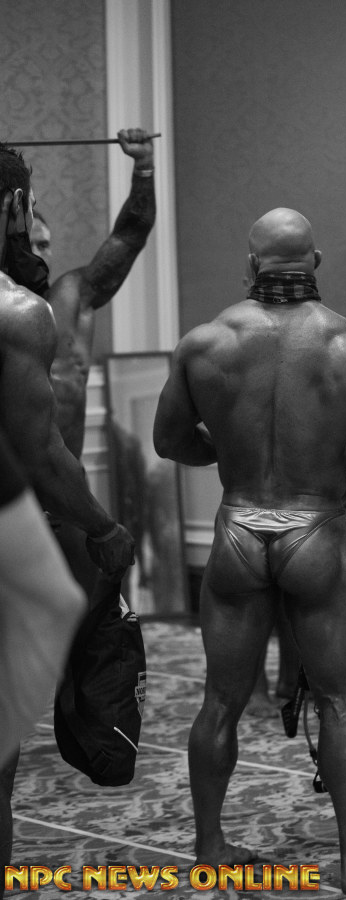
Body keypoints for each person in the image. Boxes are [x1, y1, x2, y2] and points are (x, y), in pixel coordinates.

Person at [153, 208, 346, 893]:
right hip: (318, 529)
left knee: (219, 701)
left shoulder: (203, 343)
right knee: (341, 704)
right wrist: (335, 485)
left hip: (238, 529)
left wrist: (232, 458)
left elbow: (170, 441)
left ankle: (210, 848)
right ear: (317, 263)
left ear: (251, 266)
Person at [0, 143, 135, 887]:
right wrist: (105, 528)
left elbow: (128, 237)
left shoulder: (63, 298)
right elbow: (43, 455)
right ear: (14, 209)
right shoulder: (18, 314)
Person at [32, 129, 156, 597]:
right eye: (31, 243)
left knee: (93, 621)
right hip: (11, 499)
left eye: (46, 244)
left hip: (68, 500)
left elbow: (129, 236)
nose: (40, 254)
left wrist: (143, 167)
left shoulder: (71, 296)